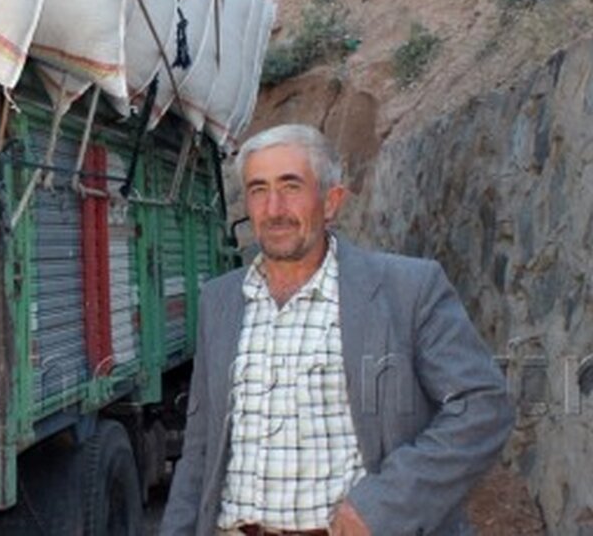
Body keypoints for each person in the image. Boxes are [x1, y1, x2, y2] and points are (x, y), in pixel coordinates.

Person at [160, 124, 514, 536]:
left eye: (291, 186)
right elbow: (200, 449)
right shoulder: (220, 300)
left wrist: (385, 504)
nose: (273, 208)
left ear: (331, 201)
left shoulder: (407, 290)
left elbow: (482, 405)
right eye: (258, 189)